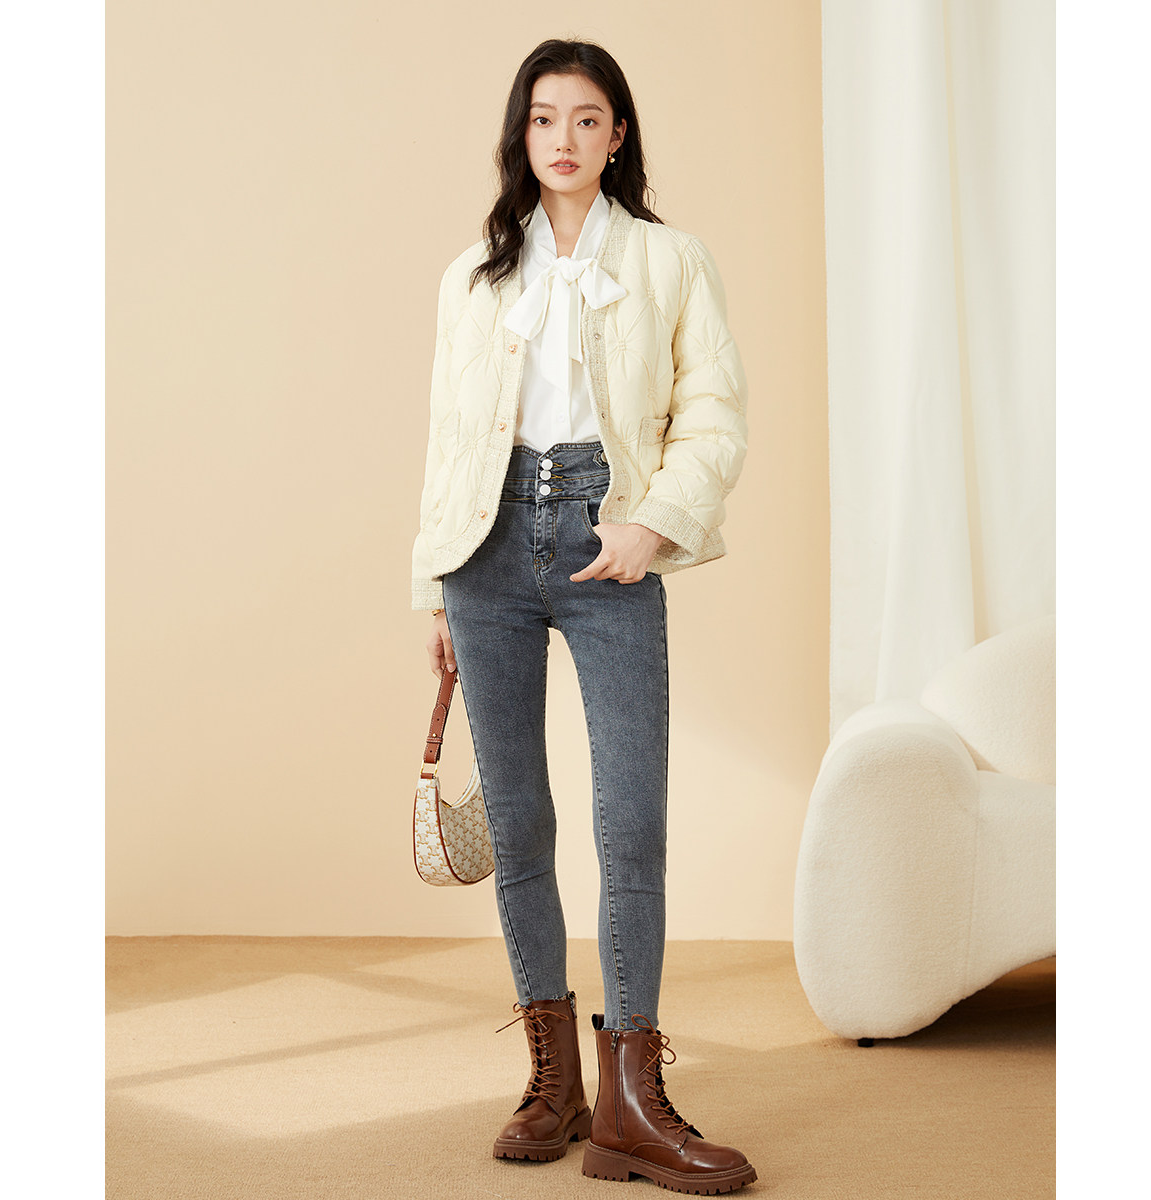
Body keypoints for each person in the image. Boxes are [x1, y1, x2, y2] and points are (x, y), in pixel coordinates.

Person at [411, 37, 755, 1193]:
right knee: (519, 824)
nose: (564, 139)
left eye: (588, 118)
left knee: (630, 825)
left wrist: (652, 524)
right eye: (544, 118)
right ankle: (554, 1081)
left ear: (619, 135)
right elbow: (449, 441)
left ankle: (631, 1102)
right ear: (522, 133)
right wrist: (437, 589)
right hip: (486, 550)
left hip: (610, 538)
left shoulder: (669, 260)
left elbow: (714, 415)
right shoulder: (472, 277)